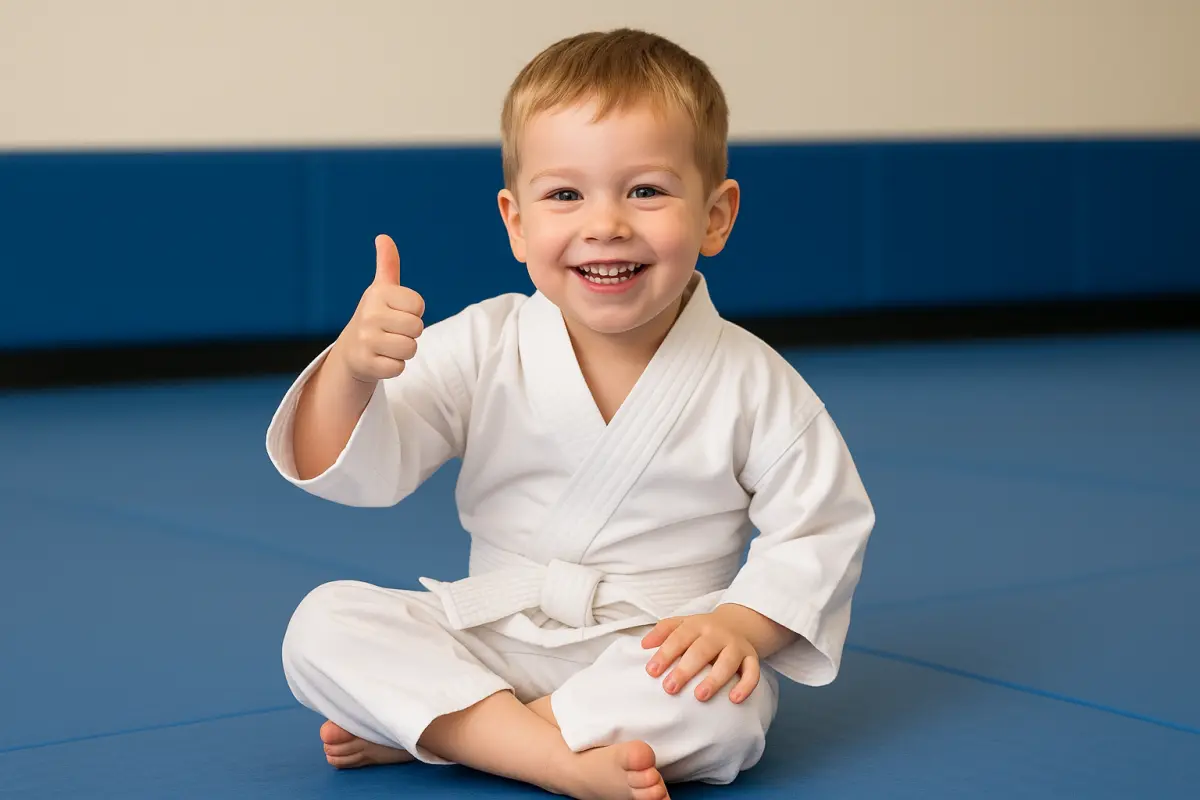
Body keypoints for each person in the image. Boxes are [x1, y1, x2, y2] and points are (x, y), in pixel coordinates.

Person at [265, 27, 875, 800]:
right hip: (491, 637)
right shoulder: (487, 343)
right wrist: (353, 371)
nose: (606, 223)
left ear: (716, 216)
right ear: (516, 222)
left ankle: (458, 730)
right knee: (321, 625)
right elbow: (358, 466)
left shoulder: (755, 382)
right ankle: (548, 752)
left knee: (732, 707)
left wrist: (741, 627)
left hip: (653, 654)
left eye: (646, 190)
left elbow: (822, 527)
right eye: (565, 194)